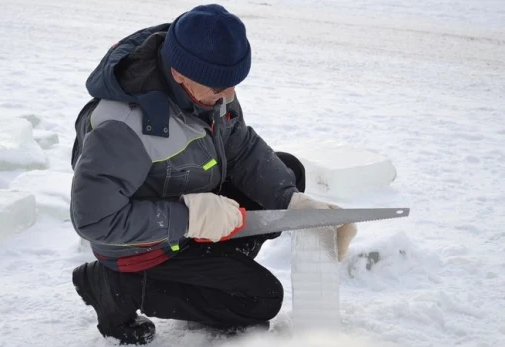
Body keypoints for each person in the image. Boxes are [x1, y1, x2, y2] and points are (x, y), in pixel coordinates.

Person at [69, 4, 357, 345]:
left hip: (187, 207)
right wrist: (189, 218)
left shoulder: (208, 89)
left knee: (287, 171)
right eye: (220, 87)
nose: (230, 96)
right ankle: (116, 286)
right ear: (179, 72)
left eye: (233, 84)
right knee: (259, 300)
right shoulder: (123, 126)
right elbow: (94, 220)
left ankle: (213, 271)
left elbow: (242, 147)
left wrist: (292, 200)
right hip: (142, 246)